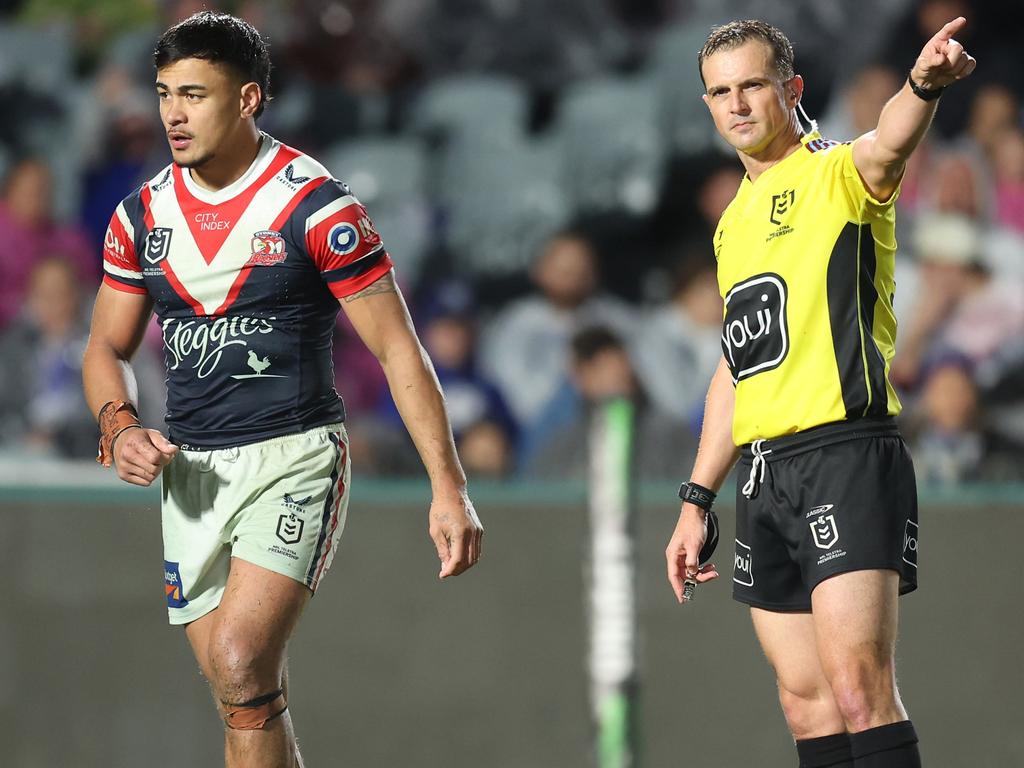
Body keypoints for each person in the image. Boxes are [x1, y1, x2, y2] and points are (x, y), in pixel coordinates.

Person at [81, 12, 482, 768]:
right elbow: (104, 345)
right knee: (245, 697)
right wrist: (120, 422)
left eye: (194, 93)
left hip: (293, 457)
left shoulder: (316, 207)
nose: (172, 112)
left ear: (248, 98)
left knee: (238, 659)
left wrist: (448, 486)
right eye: (165, 92)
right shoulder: (139, 218)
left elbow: (399, 350)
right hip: (190, 473)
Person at [664, 17, 975, 768]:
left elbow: (890, 140)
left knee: (859, 687)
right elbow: (738, 365)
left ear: (791, 89)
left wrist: (922, 85)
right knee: (806, 705)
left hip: (844, 453)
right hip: (765, 474)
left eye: (752, 85)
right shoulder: (732, 224)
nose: (736, 104)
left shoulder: (837, 171)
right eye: (720, 92)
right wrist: (697, 497)